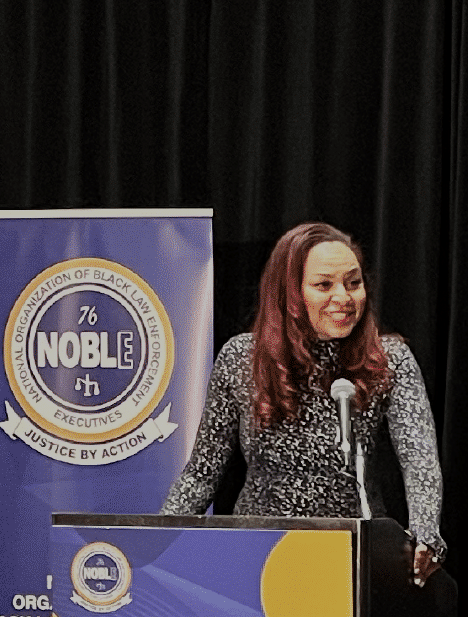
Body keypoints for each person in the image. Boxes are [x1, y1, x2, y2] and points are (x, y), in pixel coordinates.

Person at [164, 221, 443, 585]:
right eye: (324, 285)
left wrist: (425, 533)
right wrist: (154, 544)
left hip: (352, 559)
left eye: (353, 283)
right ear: (289, 293)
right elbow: (202, 473)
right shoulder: (241, 358)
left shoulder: (389, 358)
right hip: (258, 560)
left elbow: (420, 461)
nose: (344, 297)